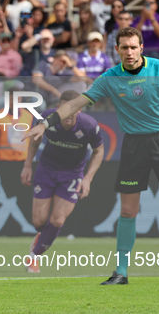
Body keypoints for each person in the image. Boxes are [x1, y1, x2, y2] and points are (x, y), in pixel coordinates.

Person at [23, 27, 159, 285]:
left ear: (141, 47)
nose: (130, 52)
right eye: (124, 47)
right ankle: (121, 271)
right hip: (134, 145)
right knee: (127, 210)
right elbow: (75, 103)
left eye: (134, 47)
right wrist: (46, 124)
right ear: (117, 50)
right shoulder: (110, 78)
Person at [21, 90, 104, 273]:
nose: (69, 114)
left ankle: (34, 257)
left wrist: (88, 179)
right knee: (39, 222)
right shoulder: (47, 118)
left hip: (72, 174)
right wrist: (27, 165)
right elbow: (35, 140)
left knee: (57, 220)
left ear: (79, 110)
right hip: (47, 170)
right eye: (65, 109)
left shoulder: (89, 126)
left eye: (73, 110)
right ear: (59, 108)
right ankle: (40, 237)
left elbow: (99, 151)